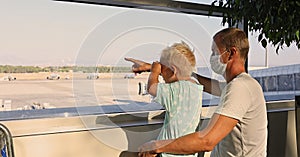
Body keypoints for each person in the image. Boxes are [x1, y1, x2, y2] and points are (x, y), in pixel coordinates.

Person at [125, 28, 267, 157]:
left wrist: (157, 146)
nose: (212, 57)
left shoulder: (240, 87)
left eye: (215, 52)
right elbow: (187, 75)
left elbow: (207, 141)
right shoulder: (236, 85)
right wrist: (154, 67)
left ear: (231, 53)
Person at [146, 42, 203, 157]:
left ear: (173, 70)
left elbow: (151, 88)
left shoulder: (175, 91)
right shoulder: (196, 87)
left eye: (162, 69)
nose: (161, 73)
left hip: (169, 152)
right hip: (187, 151)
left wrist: (154, 72)